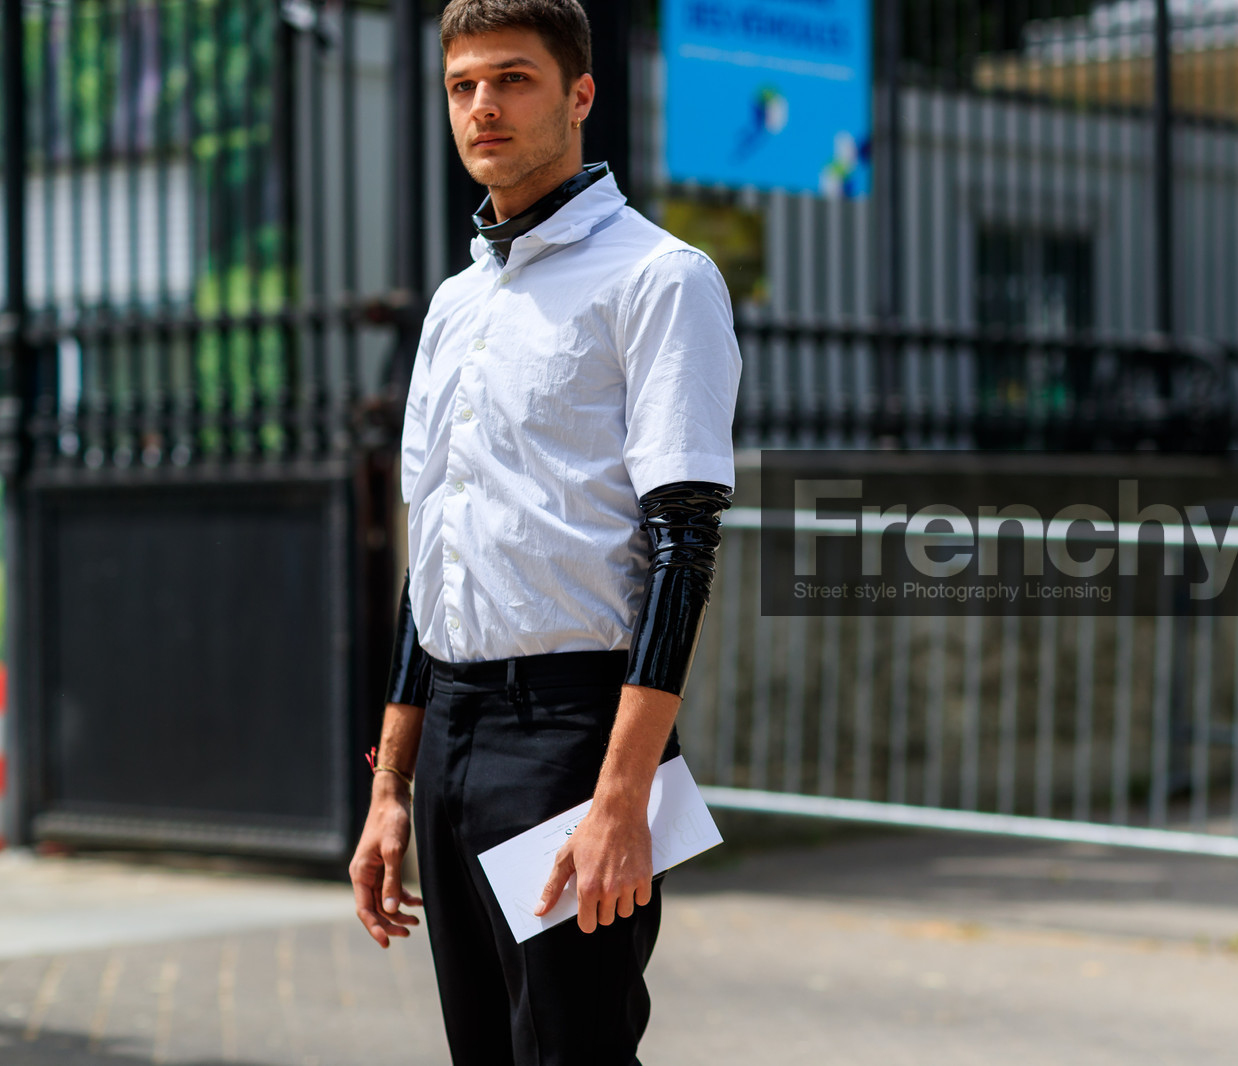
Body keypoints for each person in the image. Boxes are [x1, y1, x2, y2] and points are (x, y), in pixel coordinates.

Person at [346, 1, 741, 1062]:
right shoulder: (451, 306)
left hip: (574, 736)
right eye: (463, 84)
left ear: (579, 95)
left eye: (513, 79)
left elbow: (684, 545)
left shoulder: (659, 279)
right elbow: (433, 554)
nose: (483, 106)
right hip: (455, 742)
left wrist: (620, 799)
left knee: (573, 1049)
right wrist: (389, 788)